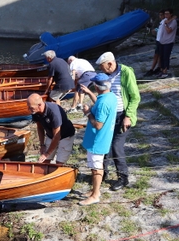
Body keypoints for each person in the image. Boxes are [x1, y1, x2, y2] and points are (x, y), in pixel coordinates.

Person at [95, 51, 141, 191]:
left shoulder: (126, 72)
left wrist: (128, 116)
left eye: (102, 67)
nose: (101, 70)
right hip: (109, 116)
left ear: (110, 64)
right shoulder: (107, 75)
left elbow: (135, 97)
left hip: (122, 116)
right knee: (104, 145)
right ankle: (102, 173)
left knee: (116, 146)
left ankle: (123, 177)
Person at [78, 73, 117, 206]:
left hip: (97, 140)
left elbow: (98, 125)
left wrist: (88, 113)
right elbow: (99, 103)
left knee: (96, 168)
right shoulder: (110, 96)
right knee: (95, 166)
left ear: (97, 86)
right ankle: (95, 190)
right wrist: (89, 93)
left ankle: (95, 195)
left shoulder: (103, 102)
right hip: (103, 138)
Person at [26, 93, 76, 164]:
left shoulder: (53, 112)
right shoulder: (35, 112)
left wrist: (47, 154)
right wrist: (42, 145)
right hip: (50, 135)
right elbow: (40, 128)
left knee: (59, 163)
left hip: (65, 136)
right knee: (44, 162)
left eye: (31, 107)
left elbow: (57, 136)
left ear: (39, 105)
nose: (29, 109)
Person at [144, 10, 165, 77]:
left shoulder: (166, 22)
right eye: (160, 15)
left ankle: (155, 68)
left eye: (162, 15)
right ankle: (154, 68)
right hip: (158, 40)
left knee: (158, 55)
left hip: (162, 41)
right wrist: (155, 30)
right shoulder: (161, 22)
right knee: (157, 55)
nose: (160, 16)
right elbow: (160, 29)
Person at [158, 8, 177, 78]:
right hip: (162, 41)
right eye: (165, 13)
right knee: (162, 56)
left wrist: (166, 24)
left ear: (171, 14)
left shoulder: (173, 22)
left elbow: (169, 30)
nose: (166, 15)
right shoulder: (164, 20)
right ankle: (162, 69)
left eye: (167, 13)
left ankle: (165, 71)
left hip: (168, 42)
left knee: (166, 56)